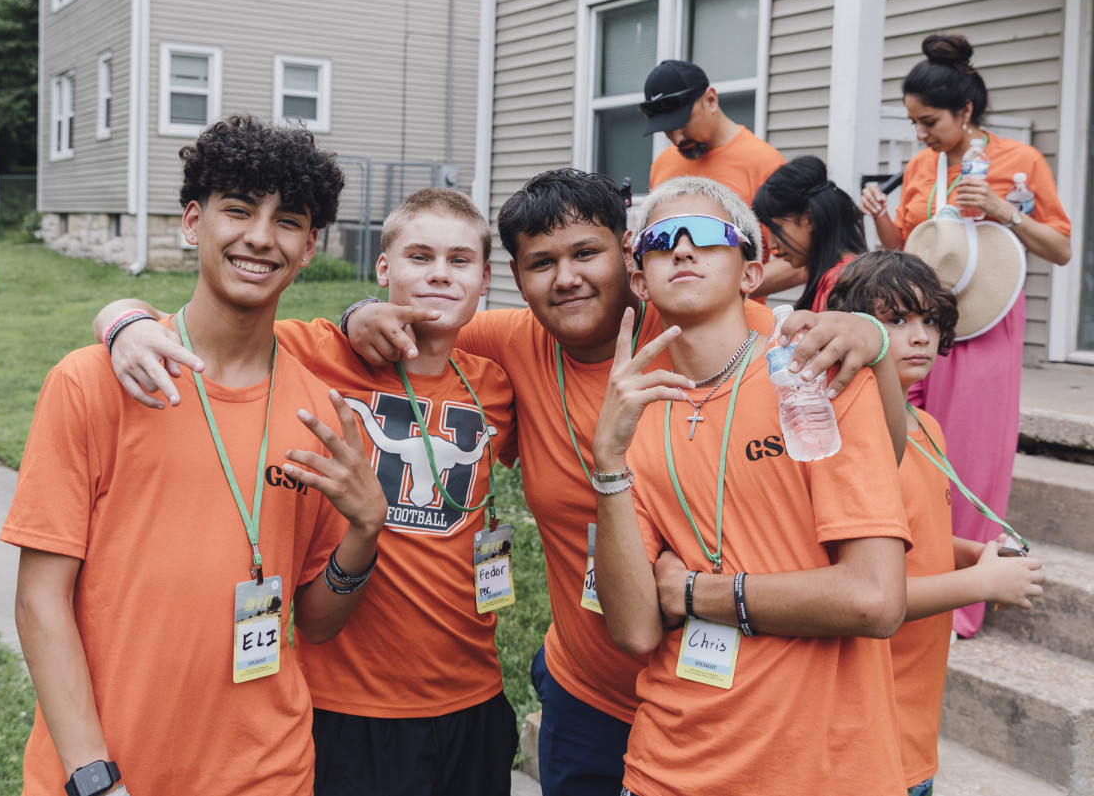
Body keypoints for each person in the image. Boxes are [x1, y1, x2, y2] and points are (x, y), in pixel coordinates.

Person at [341, 169, 899, 796]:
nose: (566, 278)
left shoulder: (710, 326)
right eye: (541, 263)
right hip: (590, 692)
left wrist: (873, 335)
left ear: (628, 260)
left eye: (586, 253)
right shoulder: (512, 344)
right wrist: (360, 311)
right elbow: (420, 321)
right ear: (518, 281)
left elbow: (872, 458)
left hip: (738, 702)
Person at [1, 115, 388, 796]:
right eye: (238, 210)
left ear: (308, 247)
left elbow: (316, 622)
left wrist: (364, 532)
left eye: (287, 221)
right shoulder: (93, 382)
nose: (260, 236)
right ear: (191, 221)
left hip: (267, 772)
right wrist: (93, 776)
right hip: (108, 772)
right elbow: (40, 599)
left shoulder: (320, 415)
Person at [90, 189, 519, 795]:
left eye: (460, 261)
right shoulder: (313, 353)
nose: (440, 275)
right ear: (384, 267)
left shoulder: (495, 384)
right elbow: (168, 323)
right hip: (346, 704)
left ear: (486, 279)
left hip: (474, 695)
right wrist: (122, 323)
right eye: (420, 257)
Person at [592, 176, 911, 795]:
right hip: (666, 770)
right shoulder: (635, 414)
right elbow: (633, 629)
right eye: (660, 239)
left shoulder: (820, 376)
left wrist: (694, 593)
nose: (682, 248)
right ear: (640, 280)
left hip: (823, 775)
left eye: (706, 234)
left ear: (752, 272)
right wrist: (607, 460)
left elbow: (874, 599)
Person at [859, 32, 1071, 636]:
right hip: (922, 318)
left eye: (928, 122)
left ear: (966, 111)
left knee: (971, 453)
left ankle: (967, 600)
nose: (919, 134)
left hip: (986, 319)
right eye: (913, 122)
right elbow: (905, 250)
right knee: (913, 440)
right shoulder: (920, 167)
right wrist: (880, 217)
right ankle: (917, 574)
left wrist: (1006, 211)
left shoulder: (1020, 161)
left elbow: (1060, 248)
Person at [827, 250, 1045, 794]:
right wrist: (980, 585)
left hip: (918, 717)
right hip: (868, 728)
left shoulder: (925, 425)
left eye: (929, 320)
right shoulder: (850, 434)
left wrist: (970, 554)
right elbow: (867, 587)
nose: (920, 336)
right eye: (897, 320)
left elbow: (907, 536)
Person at [641, 59, 801, 297]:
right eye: (667, 128)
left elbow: (797, 264)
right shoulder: (662, 164)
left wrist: (721, 291)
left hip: (739, 319)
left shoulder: (764, 163)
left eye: (682, 122)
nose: (677, 138)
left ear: (711, 100)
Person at [752, 155, 868, 312]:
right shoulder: (844, 273)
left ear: (810, 220)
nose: (772, 244)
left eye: (777, 229)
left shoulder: (840, 282)